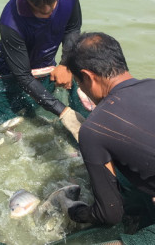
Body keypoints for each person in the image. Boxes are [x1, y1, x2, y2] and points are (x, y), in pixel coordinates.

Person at [59, 32, 155, 226]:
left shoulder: (94, 129)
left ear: (88, 76)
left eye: (79, 83)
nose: (83, 90)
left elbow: (109, 215)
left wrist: (72, 209)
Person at [0, 0, 85, 140]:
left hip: (45, 70)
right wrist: (64, 112)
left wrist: (65, 63)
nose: (47, 11)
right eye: (38, 7)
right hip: (8, 76)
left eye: (52, 3)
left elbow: (73, 27)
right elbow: (23, 76)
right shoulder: (10, 22)